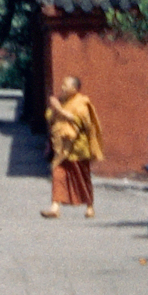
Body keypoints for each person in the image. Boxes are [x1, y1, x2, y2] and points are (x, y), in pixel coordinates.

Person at [42, 75, 103, 220]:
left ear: (75, 89)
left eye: (65, 85)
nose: (62, 87)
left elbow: (83, 123)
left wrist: (60, 111)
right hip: (61, 149)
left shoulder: (81, 103)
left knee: (82, 178)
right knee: (58, 174)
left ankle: (89, 206)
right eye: (62, 84)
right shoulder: (61, 101)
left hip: (77, 148)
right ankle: (55, 207)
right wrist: (54, 109)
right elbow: (50, 117)